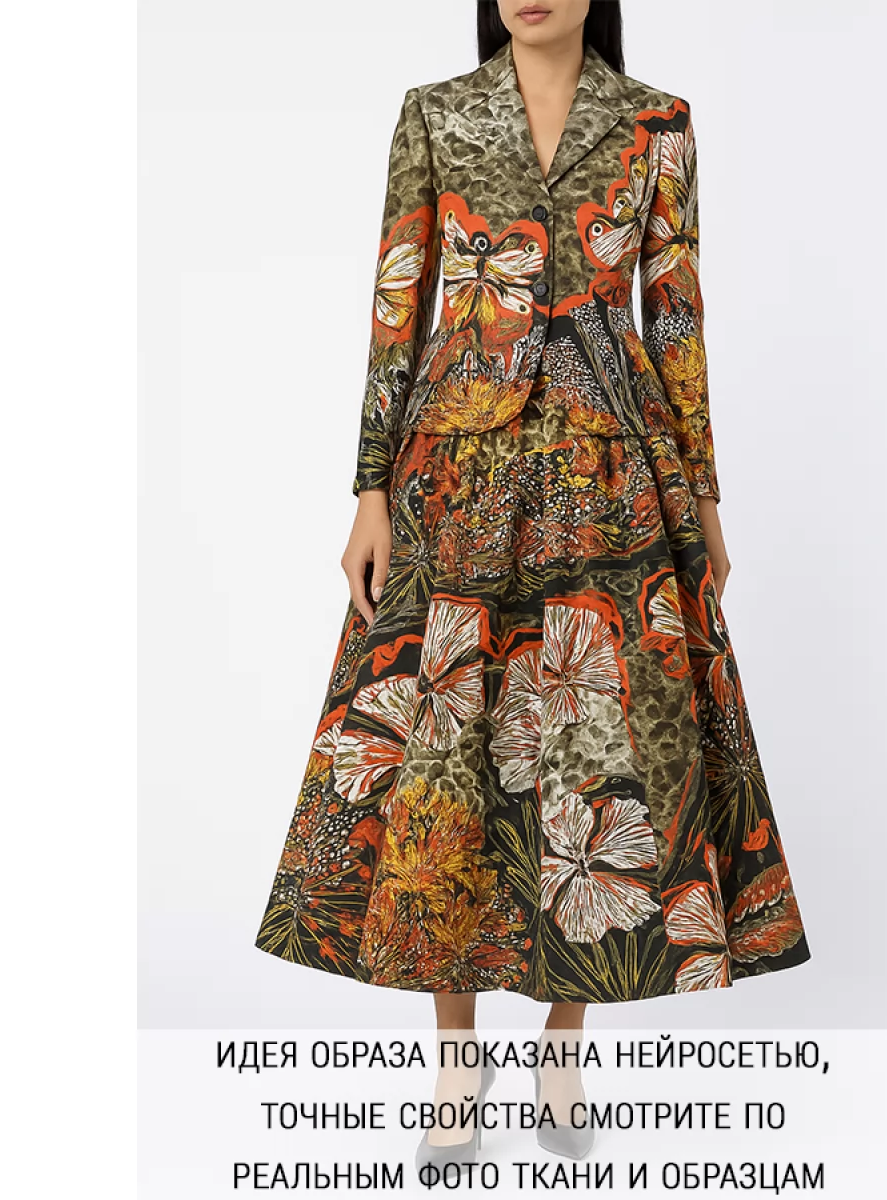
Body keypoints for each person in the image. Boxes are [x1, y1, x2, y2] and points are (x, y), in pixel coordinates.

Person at [254, 0, 811, 1165]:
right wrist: (367, 490)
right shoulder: (436, 117)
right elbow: (398, 302)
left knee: (591, 757)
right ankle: (456, 1060)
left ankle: (564, 1045)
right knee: (447, 750)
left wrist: (705, 501)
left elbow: (676, 318)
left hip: (611, 473)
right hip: (454, 469)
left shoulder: (657, 123)